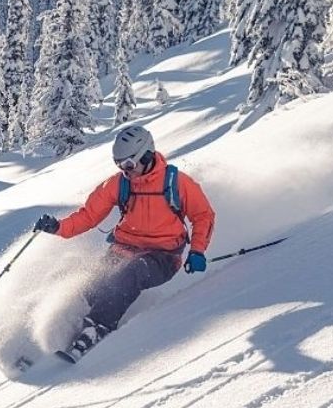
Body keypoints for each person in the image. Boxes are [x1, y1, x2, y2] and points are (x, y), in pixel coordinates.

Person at [33, 125, 215, 362]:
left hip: (163, 256)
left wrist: (197, 250)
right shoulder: (120, 184)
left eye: (128, 165)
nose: (125, 171)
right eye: (119, 165)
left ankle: (97, 327)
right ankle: (64, 329)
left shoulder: (176, 182)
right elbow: (89, 215)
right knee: (92, 278)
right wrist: (58, 227)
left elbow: (203, 215)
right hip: (124, 247)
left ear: (146, 155)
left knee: (131, 274)